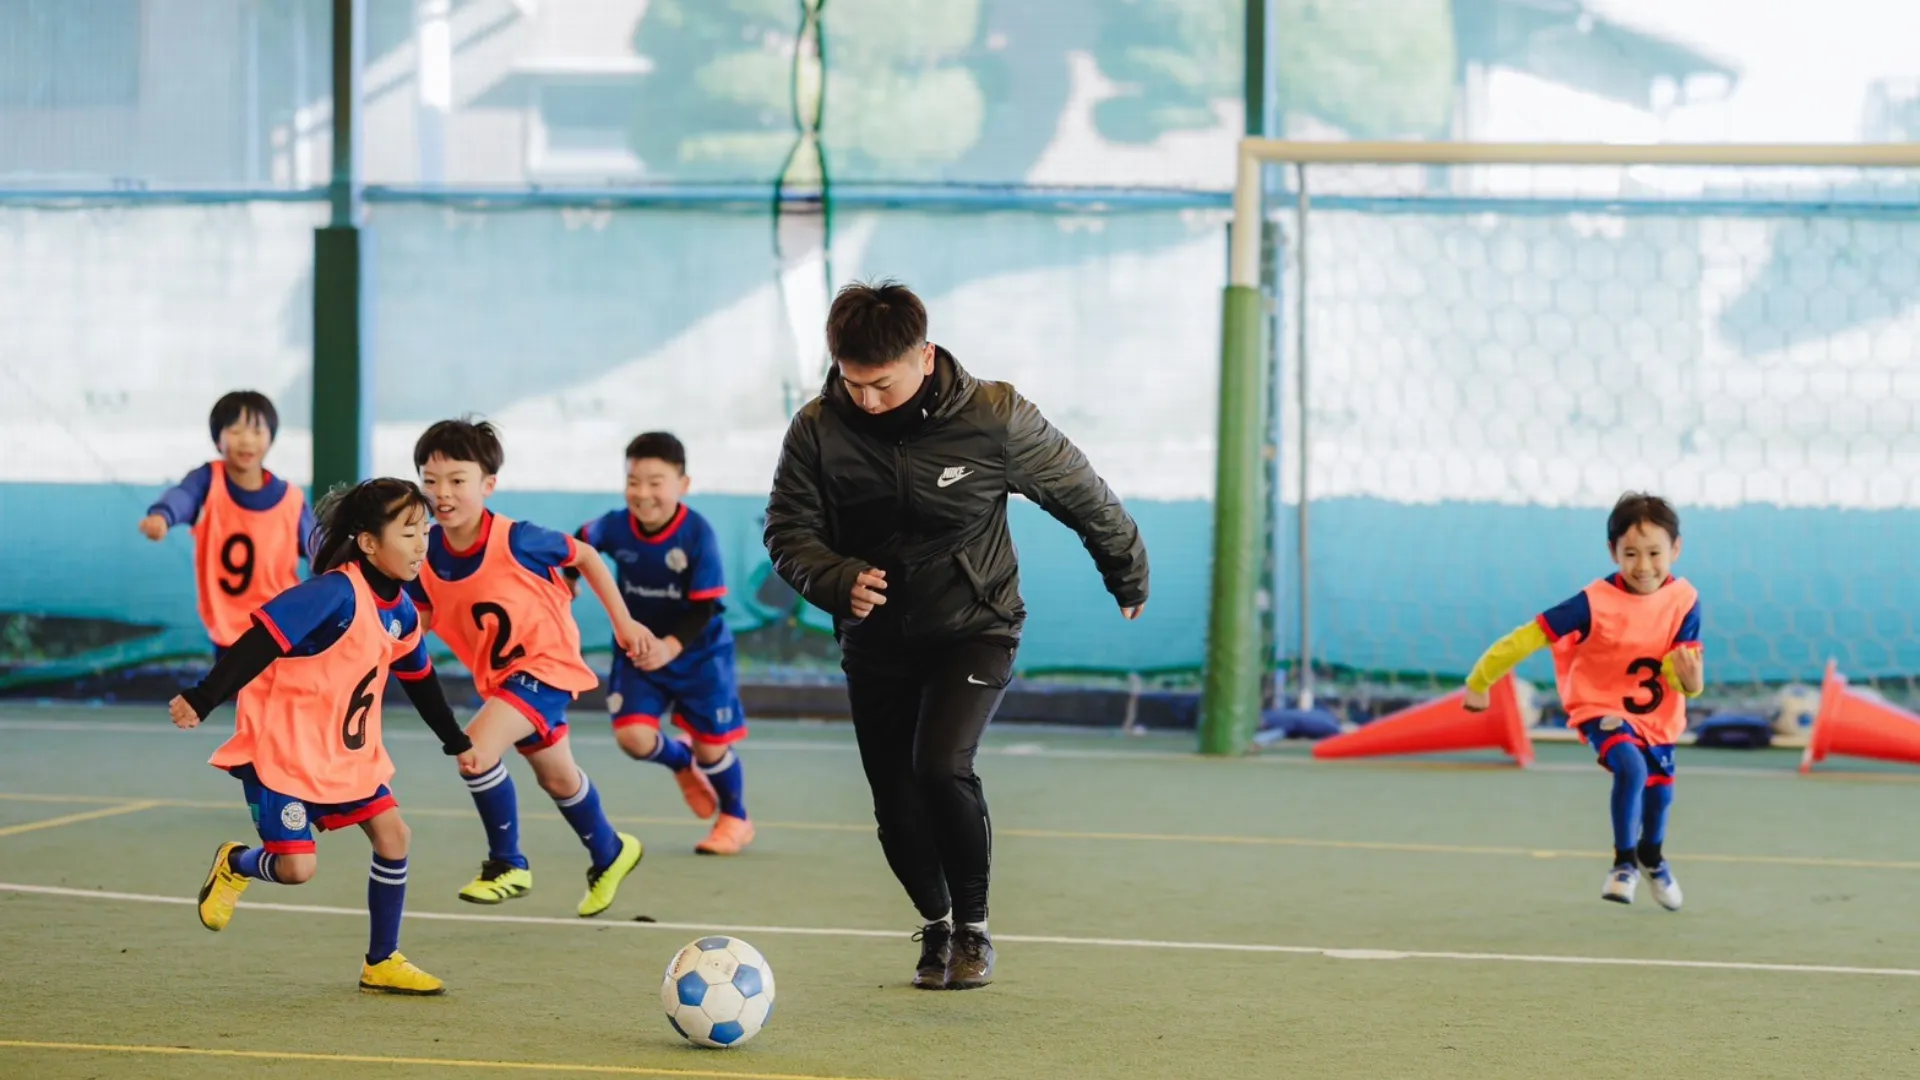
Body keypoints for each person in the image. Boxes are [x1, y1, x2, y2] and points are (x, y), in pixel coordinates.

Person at [764, 280, 1149, 990]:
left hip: (976, 624)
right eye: (854, 385)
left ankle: (974, 929)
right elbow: (788, 532)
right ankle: (936, 923)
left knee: (940, 765)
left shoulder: (994, 417)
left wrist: (1126, 570)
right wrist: (834, 577)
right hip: (876, 637)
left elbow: (1080, 491)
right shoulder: (818, 428)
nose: (867, 400)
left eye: (881, 384)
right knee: (894, 801)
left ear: (924, 354)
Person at [173, 478, 470, 994]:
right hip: (286, 754)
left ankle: (382, 960)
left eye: (425, 531)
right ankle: (237, 861)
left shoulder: (399, 610)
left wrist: (457, 741)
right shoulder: (332, 594)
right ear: (369, 542)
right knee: (296, 869)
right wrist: (203, 697)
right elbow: (260, 641)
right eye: (408, 533)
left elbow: (421, 681)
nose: (422, 544)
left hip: (348, 757)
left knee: (394, 836)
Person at [408, 418, 648, 917]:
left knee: (473, 752)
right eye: (430, 482)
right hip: (503, 680)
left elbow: (585, 557)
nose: (442, 493)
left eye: (457, 480)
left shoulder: (519, 539)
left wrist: (623, 624)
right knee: (558, 779)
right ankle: (610, 851)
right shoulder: (425, 552)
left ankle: (507, 863)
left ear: (488, 484)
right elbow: (420, 620)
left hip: (546, 665)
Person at [1462, 491, 1703, 910]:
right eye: (1630, 553)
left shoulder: (1685, 601)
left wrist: (1692, 683)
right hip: (1602, 708)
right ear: (1612, 552)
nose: (1643, 566)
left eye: (1653, 553)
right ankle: (1623, 863)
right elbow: (1527, 638)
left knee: (1661, 795)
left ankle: (1652, 856)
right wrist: (1480, 680)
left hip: (1657, 718)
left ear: (1675, 550)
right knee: (1628, 767)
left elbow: (1680, 673)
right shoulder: (1592, 603)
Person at [575, 432, 753, 855]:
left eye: (656, 482)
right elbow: (579, 542)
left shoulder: (697, 535)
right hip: (639, 653)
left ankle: (735, 818)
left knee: (713, 748)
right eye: (634, 481)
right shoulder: (615, 525)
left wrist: (670, 647)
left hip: (699, 654)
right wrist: (567, 576)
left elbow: (706, 608)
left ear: (682, 485)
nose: (643, 493)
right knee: (634, 738)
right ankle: (680, 761)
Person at [140, 391, 314, 659]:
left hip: (281, 628)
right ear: (217, 438)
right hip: (227, 629)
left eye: (257, 431)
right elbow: (183, 497)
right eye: (235, 431)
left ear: (271, 438)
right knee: (240, 698)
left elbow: (320, 545)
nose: (246, 440)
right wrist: (162, 516)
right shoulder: (208, 481)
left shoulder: (291, 499)